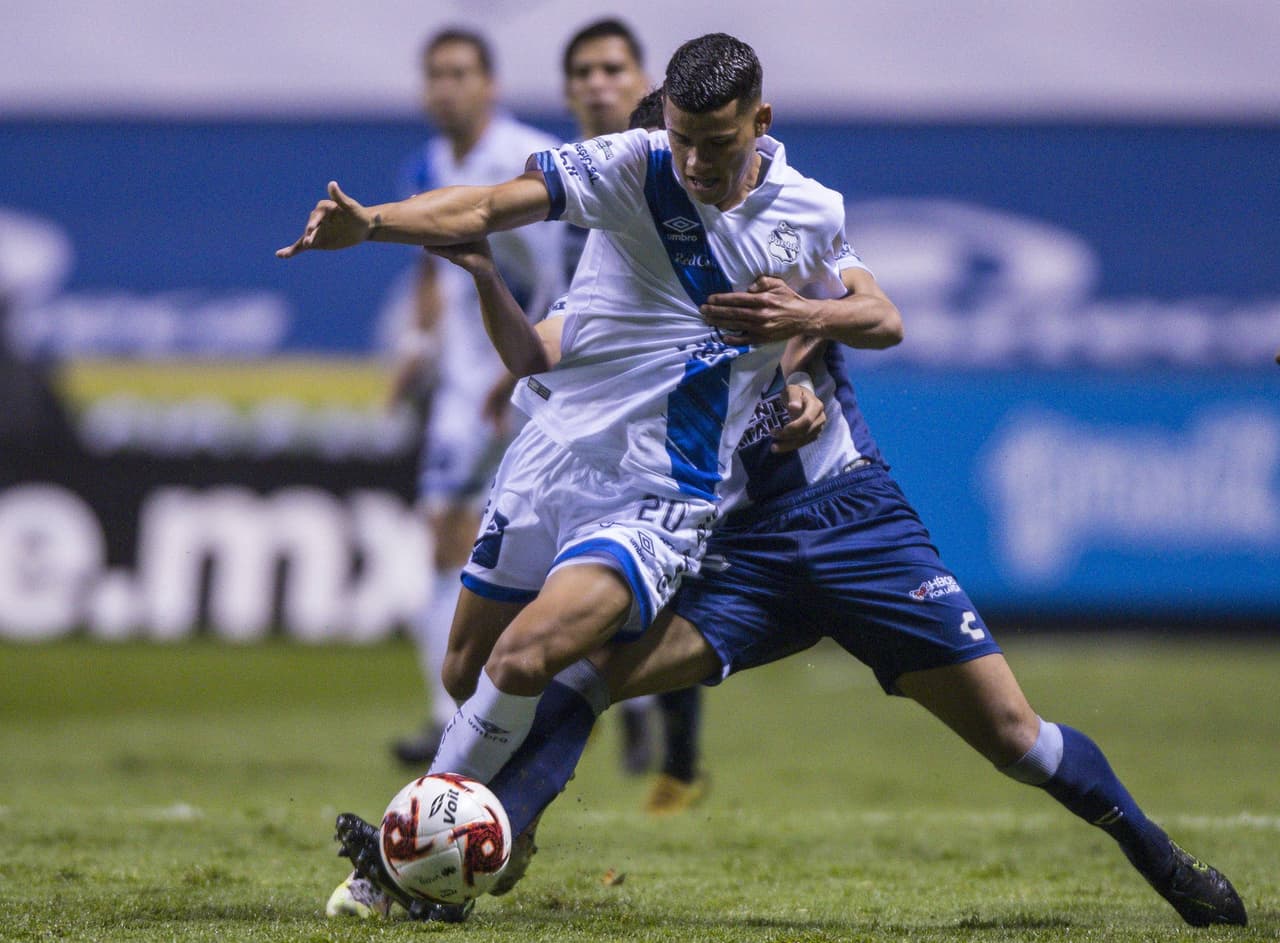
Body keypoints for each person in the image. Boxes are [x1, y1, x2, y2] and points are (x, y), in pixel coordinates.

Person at [322, 86, 1250, 929]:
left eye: (707, 153)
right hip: (742, 553)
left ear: (750, 138)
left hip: (854, 530)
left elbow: (866, 318)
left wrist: (806, 341)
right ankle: (465, 857)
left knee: (1015, 738)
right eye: (676, 155)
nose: (690, 176)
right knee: (579, 673)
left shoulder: (785, 237)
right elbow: (549, 339)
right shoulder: (639, 273)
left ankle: (1166, 864)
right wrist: (471, 275)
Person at [384, 28, 565, 767]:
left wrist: (533, 354)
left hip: (533, 373)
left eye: (460, 73)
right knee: (448, 532)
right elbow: (432, 270)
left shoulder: (526, 159)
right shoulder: (426, 163)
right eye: (435, 75)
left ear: (491, 84)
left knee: (543, 540)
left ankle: (601, 696)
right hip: (465, 387)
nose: (446, 87)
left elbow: (565, 267)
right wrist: (417, 350)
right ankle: (449, 712)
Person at [558, 17, 707, 808]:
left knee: (677, 576)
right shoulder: (552, 181)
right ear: (566, 89)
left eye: (612, 68)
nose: (596, 83)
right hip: (578, 409)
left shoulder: (693, 167)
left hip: (678, 412)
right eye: (582, 71)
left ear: (642, 78)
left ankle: (676, 754)